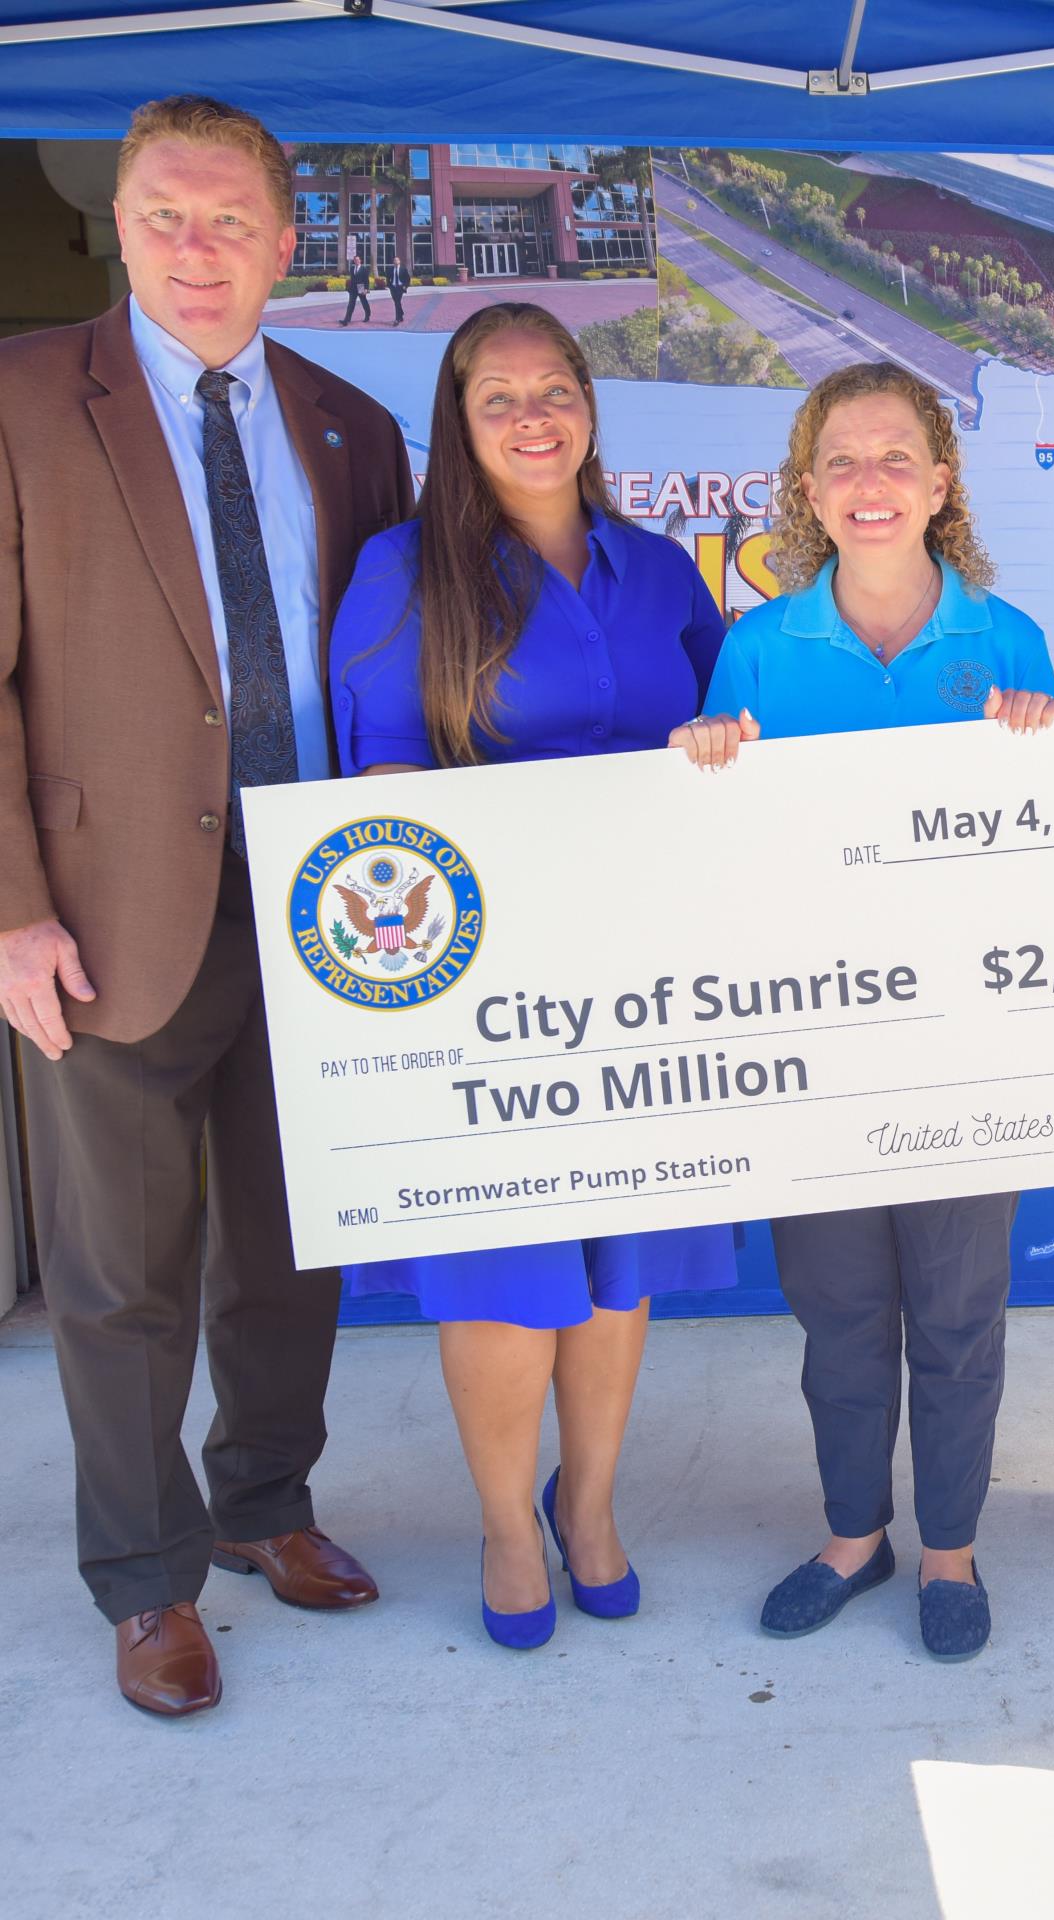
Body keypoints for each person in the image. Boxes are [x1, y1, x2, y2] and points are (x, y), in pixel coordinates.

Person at [0, 95, 412, 1717]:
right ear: (119, 222)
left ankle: (266, 1507)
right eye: (163, 215)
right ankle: (147, 1579)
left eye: (228, 219)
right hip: (100, 918)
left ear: (286, 240)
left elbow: (385, 670)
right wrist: (11, 909)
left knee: (292, 1251)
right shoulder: (29, 397)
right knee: (120, 1274)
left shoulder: (348, 426)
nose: (195, 249)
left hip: (322, 916)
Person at [330, 302, 737, 1650]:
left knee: (619, 1270)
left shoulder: (666, 572)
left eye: (553, 387)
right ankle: (509, 1527)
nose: (530, 416)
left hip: (644, 980)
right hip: (490, 993)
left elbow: (725, 748)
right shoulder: (403, 573)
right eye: (496, 395)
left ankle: (595, 1505)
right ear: (457, 422)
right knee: (509, 1274)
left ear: (588, 407)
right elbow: (380, 782)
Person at [672, 362, 1054, 1661]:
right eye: (842, 461)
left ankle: (947, 1547)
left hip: (971, 1047)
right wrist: (707, 768)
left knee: (957, 1311)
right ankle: (855, 1534)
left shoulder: (1006, 643)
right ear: (807, 491)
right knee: (840, 1310)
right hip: (819, 1046)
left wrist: (1046, 751)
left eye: (899, 458)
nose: (871, 483)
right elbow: (713, 856)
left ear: (942, 485)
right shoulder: (757, 648)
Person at [341, 251, 371, 327]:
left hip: (361, 287)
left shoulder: (364, 269)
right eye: (355, 260)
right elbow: (352, 279)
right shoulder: (352, 268)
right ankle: (346, 320)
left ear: (360, 260)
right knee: (351, 304)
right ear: (354, 261)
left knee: (364, 302)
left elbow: (366, 280)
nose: (356, 261)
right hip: (353, 289)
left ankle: (368, 315)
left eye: (358, 260)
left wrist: (366, 289)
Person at [387, 254, 411, 327]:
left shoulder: (403, 269)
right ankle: (401, 314)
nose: (396, 261)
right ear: (393, 262)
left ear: (399, 261)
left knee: (397, 302)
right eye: (394, 260)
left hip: (400, 288)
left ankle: (397, 319)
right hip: (393, 288)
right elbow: (388, 278)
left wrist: (405, 286)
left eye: (397, 260)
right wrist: (389, 286)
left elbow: (408, 279)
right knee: (397, 302)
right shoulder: (391, 269)